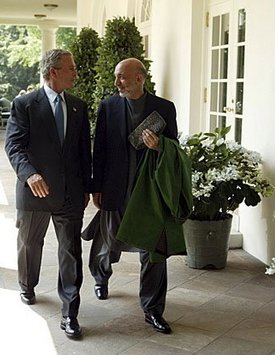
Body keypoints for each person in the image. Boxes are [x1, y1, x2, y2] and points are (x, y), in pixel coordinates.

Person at [5, 49, 91, 339]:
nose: (75, 72)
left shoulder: (79, 106)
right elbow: (14, 146)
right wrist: (30, 174)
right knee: (30, 243)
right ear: (53, 71)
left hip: (70, 194)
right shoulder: (24, 104)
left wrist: (87, 188)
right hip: (35, 191)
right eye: (71, 68)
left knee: (70, 251)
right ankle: (27, 284)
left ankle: (70, 314)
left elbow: (83, 153)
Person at [90, 57, 178, 334]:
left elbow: (174, 147)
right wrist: (97, 186)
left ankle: (153, 309)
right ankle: (101, 277)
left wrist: (159, 146)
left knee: (154, 252)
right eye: (117, 77)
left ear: (140, 78)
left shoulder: (164, 108)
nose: (117, 83)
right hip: (116, 187)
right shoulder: (108, 106)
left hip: (149, 192)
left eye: (122, 77)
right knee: (108, 243)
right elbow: (100, 149)